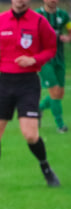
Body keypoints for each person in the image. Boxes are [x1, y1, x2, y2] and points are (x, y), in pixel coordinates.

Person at [0, 0, 60, 189]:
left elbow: (51, 49)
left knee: (30, 134)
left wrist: (34, 59)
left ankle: (47, 170)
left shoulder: (39, 22)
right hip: (4, 83)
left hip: (28, 83)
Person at [36, 0, 71, 133]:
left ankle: (39, 108)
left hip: (59, 59)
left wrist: (68, 38)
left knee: (60, 94)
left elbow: (70, 29)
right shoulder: (37, 15)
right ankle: (60, 125)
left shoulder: (63, 15)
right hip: (44, 60)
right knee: (55, 91)